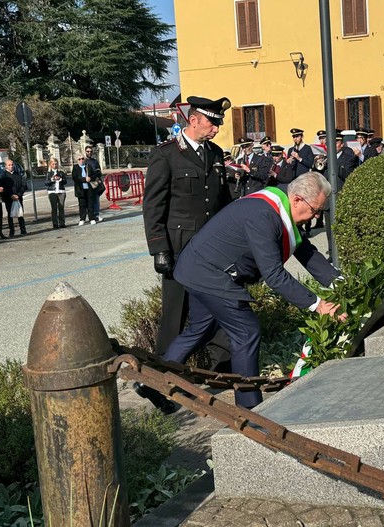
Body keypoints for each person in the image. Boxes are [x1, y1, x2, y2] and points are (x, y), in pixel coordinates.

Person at [164, 172, 345, 408]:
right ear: (298, 199)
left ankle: (153, 383)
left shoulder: (282, 205)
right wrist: (317, 305)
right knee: (246, 332)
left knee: (200, 329)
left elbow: (305, 251)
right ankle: (249, 409)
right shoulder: (264, 215)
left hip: (200, 269)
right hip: (208, 274)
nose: (316, 216)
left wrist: (339, 283)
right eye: (315, 210)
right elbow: (274, 275)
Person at [142, 95, 234, 412]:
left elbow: (222, 203)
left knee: (223, 307)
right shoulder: (166, 156)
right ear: (193, 120)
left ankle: (222, 376)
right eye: (213, 122)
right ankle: (159, 387)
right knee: (176, 319)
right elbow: (153, 206)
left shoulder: (216, 154)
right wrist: (159, 249)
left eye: (219, 122)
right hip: (179, 251)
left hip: (212, 251)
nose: (217, 128)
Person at [0, 159, 28, 237]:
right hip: (9, 198)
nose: (11, 166)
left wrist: (18, 195)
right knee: (10, 215)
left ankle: (23, 230)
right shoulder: (3, 176)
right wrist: (11, 195)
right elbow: (3, 188)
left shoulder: (18, 174)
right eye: (9, 165)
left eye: (12, 165)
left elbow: (24, 186)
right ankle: (11, 231)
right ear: (5, 166)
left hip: (18, 197)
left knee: (20, 214)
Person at [72, 156, 97, 225]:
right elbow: (75, 177)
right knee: (82, 204)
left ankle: (91, 218)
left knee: (90, 204)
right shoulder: (75, 167)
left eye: (82, 159)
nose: (81, 160)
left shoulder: (88, 166)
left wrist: (90, 178)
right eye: (79, 159)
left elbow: (94, 175)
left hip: (89, 188)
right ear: (77, 160)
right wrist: (84, 179)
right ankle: (82, 219)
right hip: (80, 189)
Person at [45, 158, 67, 229]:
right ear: (50, 165)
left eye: (56, 164)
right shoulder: (48, 173)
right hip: (52, 192)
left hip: (61, 192)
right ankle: (55, 223)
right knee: (54, 208)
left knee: (61, 207)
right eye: (53, 164)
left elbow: (65, 182)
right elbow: (46, 183)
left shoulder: (61, 172)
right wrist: (52, 179)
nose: (55, 165)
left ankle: (62, 223)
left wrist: (60, 179)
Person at [84, 145, 103, 222]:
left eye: (91, 151)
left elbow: (99, 171)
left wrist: (98, 178)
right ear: (85, 152)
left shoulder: (95, 161)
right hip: (86, 183)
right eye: (88, 151)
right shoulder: (83, 161)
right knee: (87, 201)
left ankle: (96, 215)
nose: (89, 153)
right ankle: (88, 216)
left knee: (96, 199)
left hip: (94, 183)